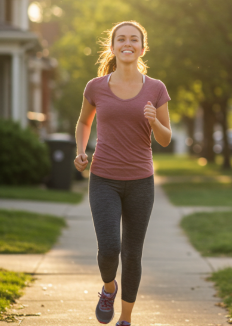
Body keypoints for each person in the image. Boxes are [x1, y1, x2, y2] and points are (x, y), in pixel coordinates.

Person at [74, 21, 172, 325]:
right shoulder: (95, 86)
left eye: (134, 40)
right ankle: (108, 288)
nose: (127, 44)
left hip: (141, 182)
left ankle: (126, 319)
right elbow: (83, 123)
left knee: (131, 255)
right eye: (121, 39)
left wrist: (154, 121)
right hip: (104, 178)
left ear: (142, 48)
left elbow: (167, 138)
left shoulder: (156, 88)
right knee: (109, 249)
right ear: (113, 46)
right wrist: (80, 150)